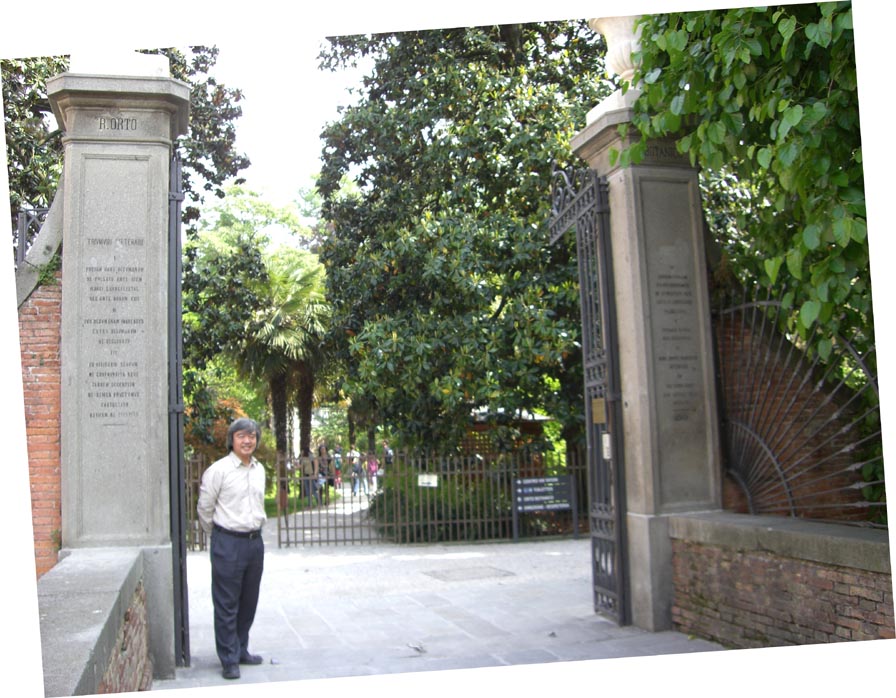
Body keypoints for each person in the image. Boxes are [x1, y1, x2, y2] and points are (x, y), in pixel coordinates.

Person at [196, 418, 267, 680]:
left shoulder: (259, 469)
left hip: (254, 543)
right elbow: (205, 508)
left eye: (252, 436)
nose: (248, 441)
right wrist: (218, 536)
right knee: (227, 604)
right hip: (228, 543)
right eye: (241, 436)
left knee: (248, 601)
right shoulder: (219, 471)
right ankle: (228, 659)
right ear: (232, 440)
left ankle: (241, 649)